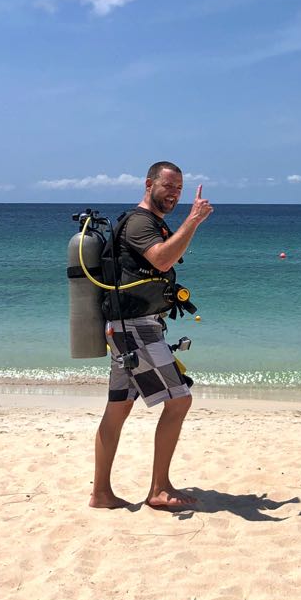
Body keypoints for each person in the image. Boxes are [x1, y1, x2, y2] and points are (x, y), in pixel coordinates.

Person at [89, 161, 213, 511]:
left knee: (118, 408)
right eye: (168, 186)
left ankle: (101, 494)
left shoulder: (149, 223)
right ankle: (160, 488)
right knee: (180, 400)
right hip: (135, 328)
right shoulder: (142, 222)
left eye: (179, 189)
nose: (174, 194)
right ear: (149, 184)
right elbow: (160, 260)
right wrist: (193, 220)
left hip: (125, 328)